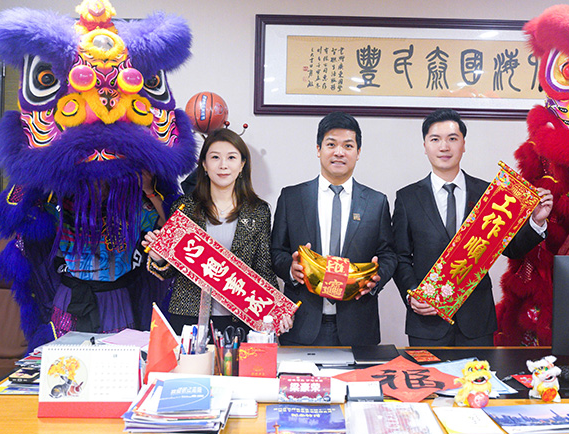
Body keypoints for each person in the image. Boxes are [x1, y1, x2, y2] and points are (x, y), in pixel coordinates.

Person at [392, 108, 553, 346]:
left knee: (479, 373)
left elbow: (511, 249)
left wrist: (536, 221)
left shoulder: (490, 194)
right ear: (425, 146)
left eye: (452, 138)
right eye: (435, 139)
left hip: (477, 320)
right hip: (427, 320)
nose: (444, 147)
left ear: (463, 144)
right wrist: (412, 293)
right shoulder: (407, 198)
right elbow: (400, 256)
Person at [142, 128, 290, 336]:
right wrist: (159, 259)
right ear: (204, 164)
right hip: (188, 316)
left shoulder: (258, 211)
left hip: (241, 318)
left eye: (231, 157)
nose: (223, 165)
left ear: (242, 164)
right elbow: (170, 271)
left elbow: (263, 268)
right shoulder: (184, 208)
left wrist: (277, 310)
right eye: (215, 157)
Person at [270, 111, 397, 346]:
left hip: (358, 325)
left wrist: (376, 279)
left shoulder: (376, 202)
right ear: (318, 149)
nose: (339, 152)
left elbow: (389, 254)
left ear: (358, 152)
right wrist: (291, 269)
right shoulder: (292, 198)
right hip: (303, 323)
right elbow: (276, 251)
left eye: (348, 145)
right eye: (331, 144)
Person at [50, 172, 166, 337]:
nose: (100, 185)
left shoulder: (130, 204)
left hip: (114, 298)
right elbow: (25, 220)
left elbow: (170, 225)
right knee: (66, 353)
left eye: (105, 177)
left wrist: (149, 190)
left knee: (115, 351)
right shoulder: (62, 203)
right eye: (92, 177)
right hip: (70, 296)